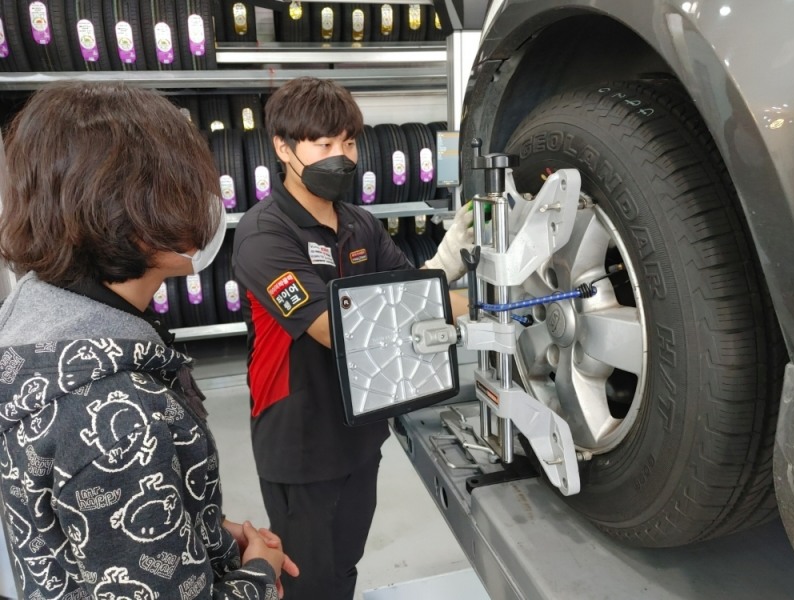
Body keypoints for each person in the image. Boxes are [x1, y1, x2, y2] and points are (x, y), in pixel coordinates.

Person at [0, 81, 298, 599]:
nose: (202, 206)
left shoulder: (37, 330)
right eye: (182, 189)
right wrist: (259, 573)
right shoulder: (117, 415)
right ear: (131, 214)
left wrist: (200, 532)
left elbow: (89, 534)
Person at [232, 76, 471, 599]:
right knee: (306, 580)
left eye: (348, 142)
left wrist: (458, 269)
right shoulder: (264, 235)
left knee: (344, 566)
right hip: (300, 439)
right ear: (283, 148)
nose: (340, 157)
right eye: (323, 144)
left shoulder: (360, 224)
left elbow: (409, 293)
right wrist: (470, 307)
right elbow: (335, 329)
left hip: (361, 429)